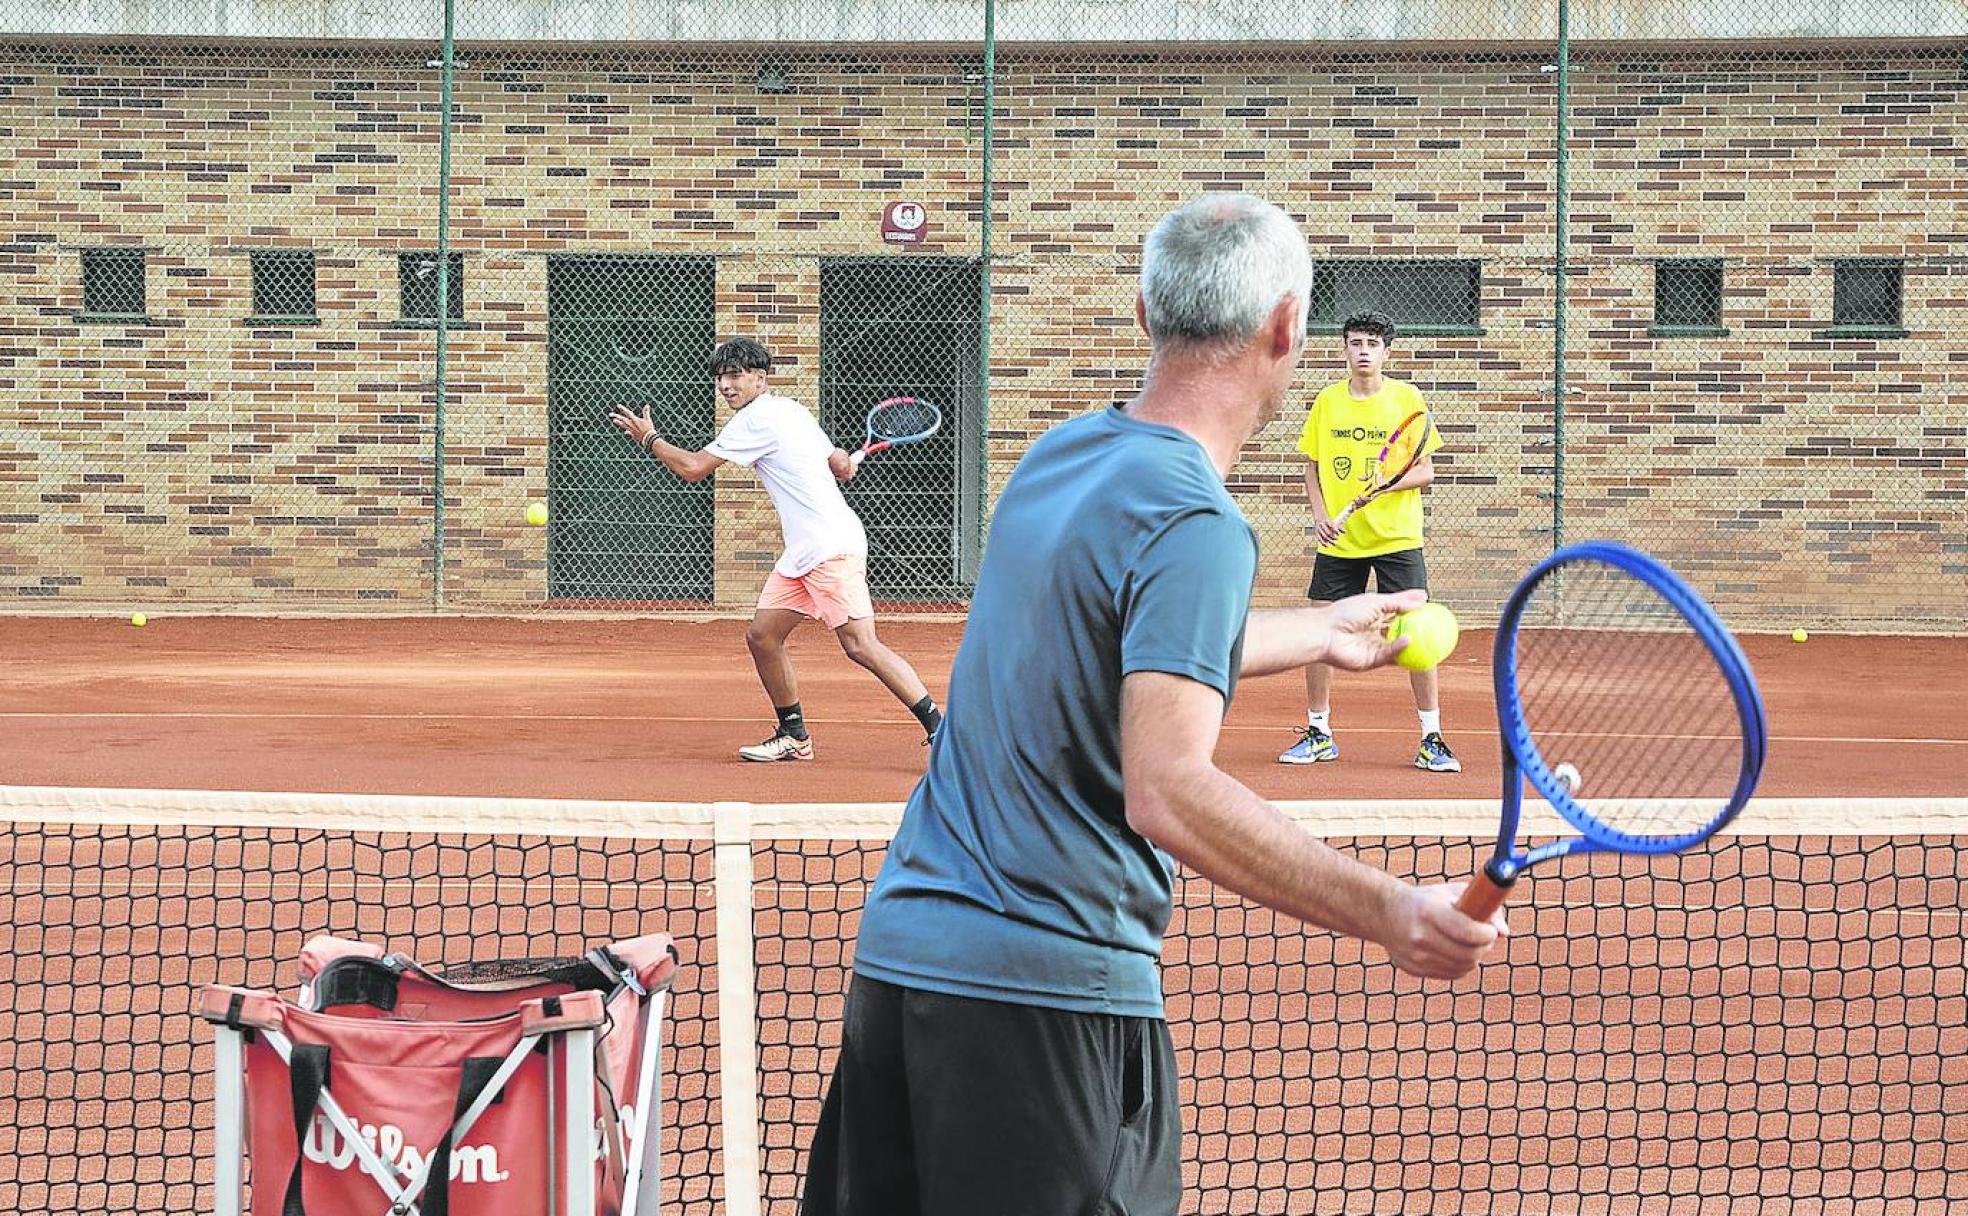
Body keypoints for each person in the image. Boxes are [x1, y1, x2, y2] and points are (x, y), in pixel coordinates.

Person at [799, 195, 1503, 1216]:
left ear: (1144, 313)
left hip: (901, 970)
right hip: (1045, 998)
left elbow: (1106, 645)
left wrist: (1320, 631)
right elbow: (1167, 789)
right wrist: (1391, 912)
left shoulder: (1059, 456)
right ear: (1287, 327)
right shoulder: (1198, 521)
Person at [609, 338, 942, 761]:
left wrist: (649, 438)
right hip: (803, 552)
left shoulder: (756, 420)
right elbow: (840, 465)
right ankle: (794, 735)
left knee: (861, 645)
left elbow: (693, 468)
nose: (725, 386)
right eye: (720, 378)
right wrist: (847, 461)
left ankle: (943, 733)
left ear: (760, 378)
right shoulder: (793, 410)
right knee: (763, 637)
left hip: (829, 547)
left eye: (735, 376)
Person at [1278, 310, 1461, 773]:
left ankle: (1432, 738)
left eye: (1372, 344)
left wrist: (1384, 486)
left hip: (1397, 537)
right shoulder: (1327, 402)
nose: (1363, 351)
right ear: (1344, 349)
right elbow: (1311, 466)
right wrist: (1320, 516)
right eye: (1356, 342)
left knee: (1414, 633)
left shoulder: (1407, 399)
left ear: (1386, 352)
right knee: (1320, 633)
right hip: (1341, 539)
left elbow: (1425, 471)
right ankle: (1319, 732)